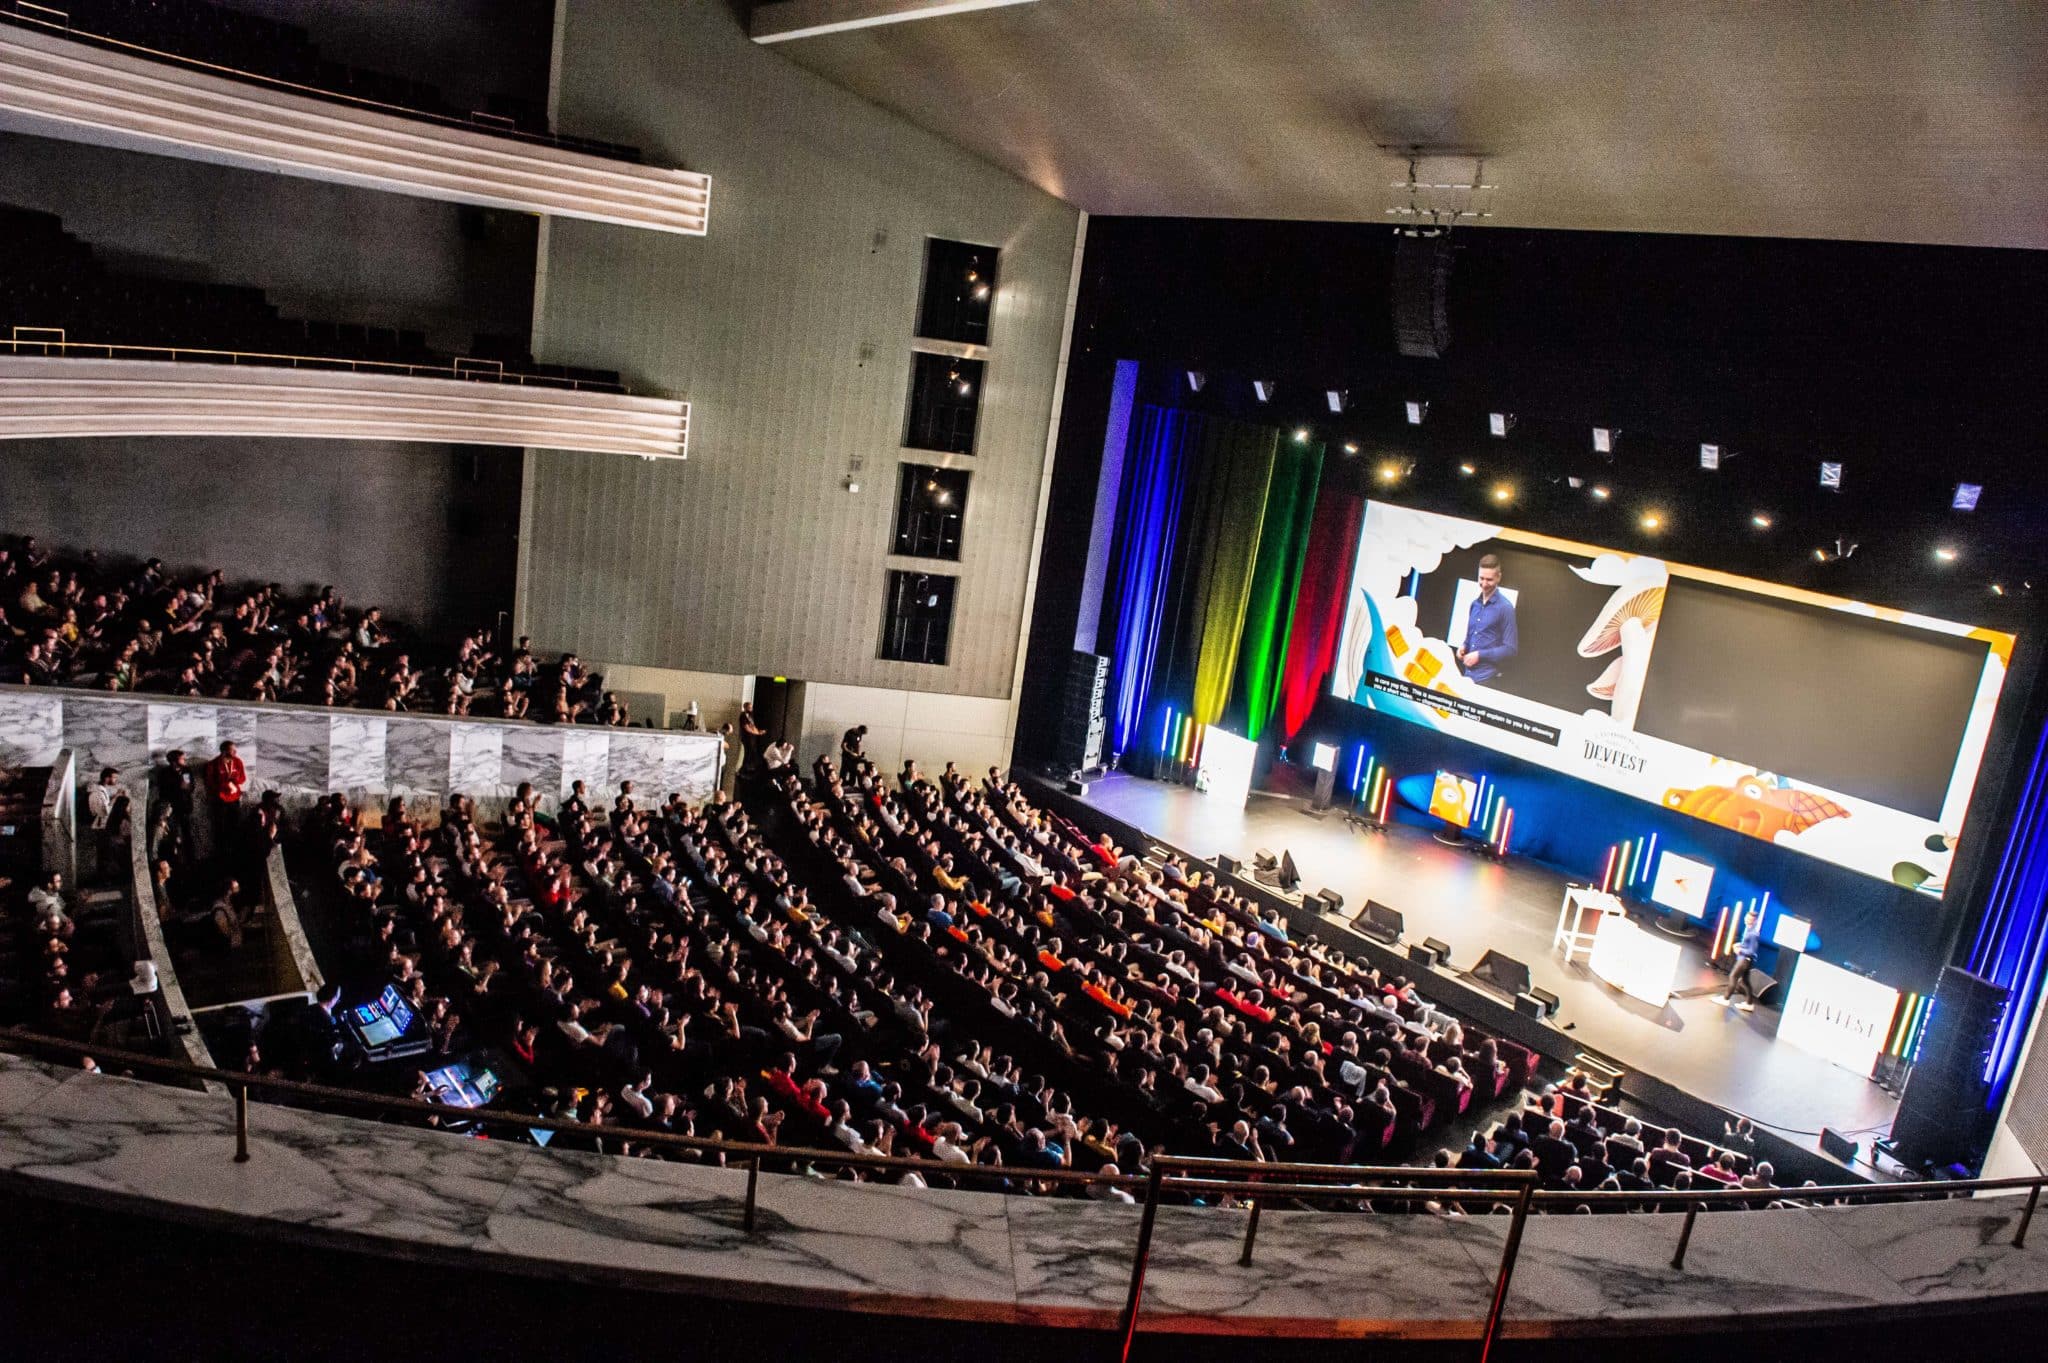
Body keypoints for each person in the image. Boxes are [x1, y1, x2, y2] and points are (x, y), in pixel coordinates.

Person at [1457, 553, 1519, 684]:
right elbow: (1470, 637)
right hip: (1467, 676)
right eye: (1481, 578)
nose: (1484, 584)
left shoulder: (1506, 608)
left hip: (1488, 680)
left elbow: (1510, 649)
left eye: (1489, 580)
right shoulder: (1474, 604)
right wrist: (1463, 646)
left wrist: (1480, 655)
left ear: (1498, 578)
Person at [204, 740, 247, 859]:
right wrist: (223, 785)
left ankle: (236, 852)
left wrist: (235, 780)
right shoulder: (212, 764)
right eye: (232, 750)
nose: (235, 751)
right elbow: (209, 783)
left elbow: (243, 778)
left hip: (234, 798)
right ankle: (221, 854)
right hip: (220, 799)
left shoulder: (237, 762)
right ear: (224, 751)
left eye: (235, 749)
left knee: (236, 825)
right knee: (221, 828)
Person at [1718, 908, 1764, 1011]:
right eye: (1746, 918)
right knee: (1745, 981)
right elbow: (1747, 945)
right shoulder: (1748, 930)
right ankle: (1749, 1004)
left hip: (1745, 960)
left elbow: (1752, 951)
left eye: (1750, 919)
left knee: (1733, 976)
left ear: (1755, 921)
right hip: (1745, 960)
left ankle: (1725, 999)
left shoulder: (1753, 934)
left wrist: (1740, 950)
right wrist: (1740, 945)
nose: (1747, 920)